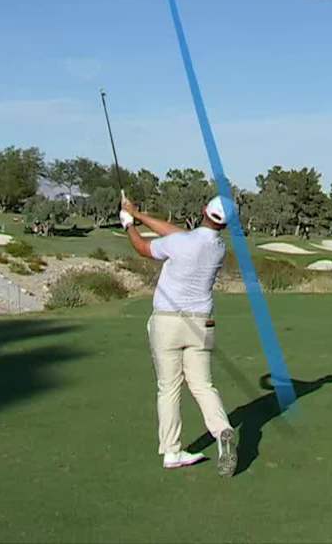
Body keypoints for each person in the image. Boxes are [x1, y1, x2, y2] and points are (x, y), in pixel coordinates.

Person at [121, 193, 238, 476]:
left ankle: (172, 451)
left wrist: (129, 225)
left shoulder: (181, 243)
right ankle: (222, 430)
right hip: (202, 324)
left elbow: (142, 249)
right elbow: (179, 235)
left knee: (169, 387)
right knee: (202, 384)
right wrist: (138, 214)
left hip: (167, 323)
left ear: (203, 210)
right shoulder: (218, 248)